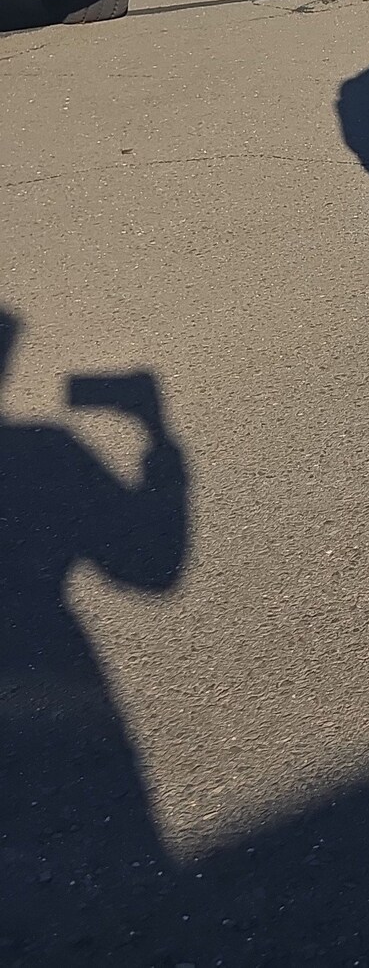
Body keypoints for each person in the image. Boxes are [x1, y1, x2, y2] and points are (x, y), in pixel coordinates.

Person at [0, 310, 189, 958]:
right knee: (103, 879)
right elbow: (151, 565)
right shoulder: (42, 448)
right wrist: (157, 438)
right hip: (44, 669)